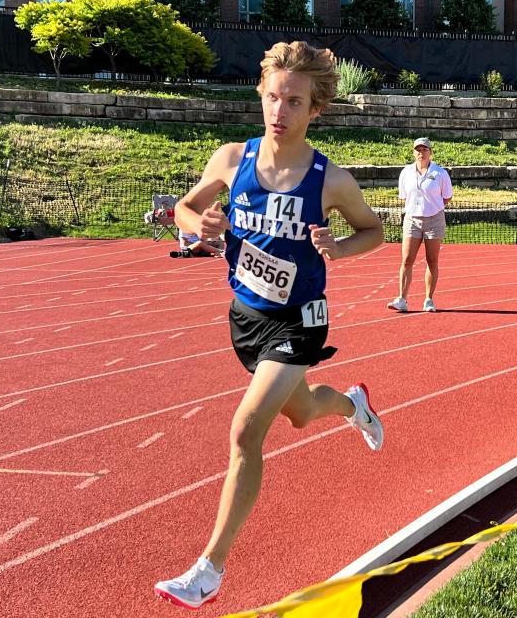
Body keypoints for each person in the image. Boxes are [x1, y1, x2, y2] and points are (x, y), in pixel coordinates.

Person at [154, 41, 386, 610]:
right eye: (273, 97)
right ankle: (352, 403)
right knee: (303, 414)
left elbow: (374, 231)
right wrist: (197, 224)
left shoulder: (332, 181)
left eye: (295, 101)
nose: (280, 111)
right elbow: (182, 209)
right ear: (261, 96)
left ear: (315, 110)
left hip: (300, 320)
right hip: (246, 317)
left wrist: (340, 246)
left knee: (245, 431)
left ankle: (210, 568)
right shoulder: (231, 160)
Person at [387, 137, 453, 313]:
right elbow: (404, 196)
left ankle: (428, 300)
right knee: (407, 259)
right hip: (412, 219)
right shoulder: (406, 173)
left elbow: (447, 196)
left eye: (424, 149)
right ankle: (402, 299)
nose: (421, 153)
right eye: (418, 149)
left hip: (434, 219)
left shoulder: (440, 173)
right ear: (413, 152)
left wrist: (433, 208)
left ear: (430, 152)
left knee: (432, 260)